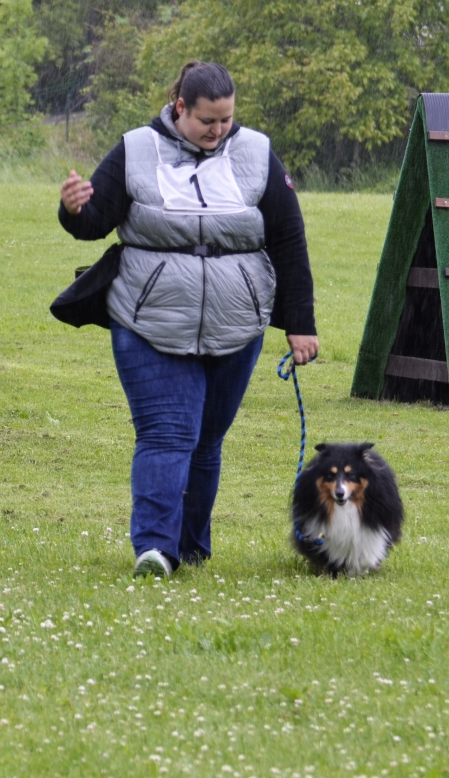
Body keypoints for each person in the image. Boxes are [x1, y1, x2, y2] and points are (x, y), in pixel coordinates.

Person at [53, 61, 318, 577]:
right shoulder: (136, 149)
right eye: (207, 122)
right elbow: (93, 223)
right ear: (180, 109)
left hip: (237, 324)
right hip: (149, 320)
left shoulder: (257, 153)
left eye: (226, 121)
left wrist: (300, 323)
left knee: (206, 439)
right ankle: (155, 550)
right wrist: (73, 209)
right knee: (167, 433)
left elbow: (288, 239)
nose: (218, 132)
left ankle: (191, 547)